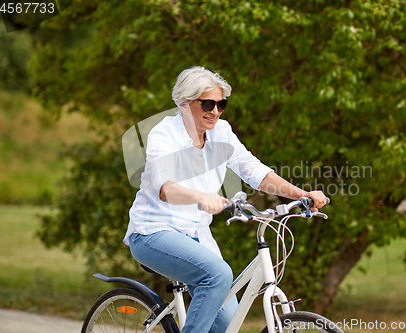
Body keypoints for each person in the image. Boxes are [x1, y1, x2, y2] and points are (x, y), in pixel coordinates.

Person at [123, 66, 327, 333]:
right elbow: (165, 188)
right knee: (218, 274)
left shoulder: (222, 132)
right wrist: (201, 197)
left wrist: (302, 194)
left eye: (221, 104)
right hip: (154, 232)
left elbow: (253, 170)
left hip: (197, 235)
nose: (215, 111)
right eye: (208, 103)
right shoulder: (164, 135)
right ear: (185, 104)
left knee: (226, 325)